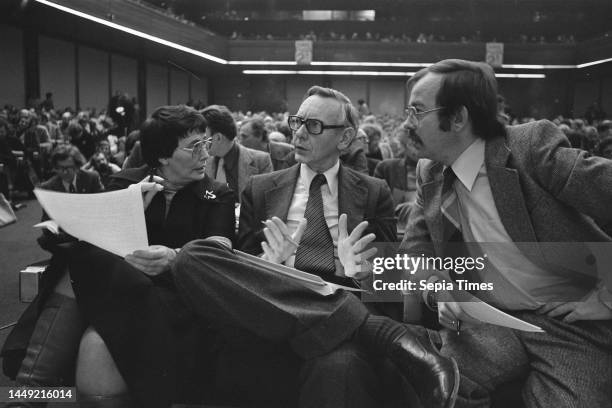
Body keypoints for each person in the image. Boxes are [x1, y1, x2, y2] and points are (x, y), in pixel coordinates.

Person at [165, 87, 457, 408]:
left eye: (313, 126)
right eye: (297, 122)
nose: (300, 133)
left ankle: (360, 325)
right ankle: (379, 332)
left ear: (344, 140)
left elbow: (388, 287)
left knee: (340, 368)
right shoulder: (260, 189)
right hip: (270, 307)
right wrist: (265, 263)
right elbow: (240, 277)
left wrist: (361, 275)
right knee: (192, 256)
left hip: (339, 316)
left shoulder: (374, 192)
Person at [396, 59, 612, 407]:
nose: (407, 123)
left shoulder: (532, 148)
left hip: (567, 322)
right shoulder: (430, 171)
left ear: (458, 118)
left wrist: (608, 297)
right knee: (429, 383)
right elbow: (414, 254)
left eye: (417, 111)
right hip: (489, 318)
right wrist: (439, 290)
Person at [1, 145, 102, 407]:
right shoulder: (48, 185)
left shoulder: (91, 179)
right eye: (60, 169)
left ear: (78, 165)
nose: (65, 173)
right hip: (64, 248)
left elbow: (102, 209)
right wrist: (59, 231)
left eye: (69, 168)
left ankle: (31, 392)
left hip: (94, 242)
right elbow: (47, 224)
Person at [201, 105, 273, 200]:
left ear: (218, 138)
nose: (200, 144)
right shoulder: (201, 162)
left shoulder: (261, 161)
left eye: (204, 139)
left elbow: (267, 202)